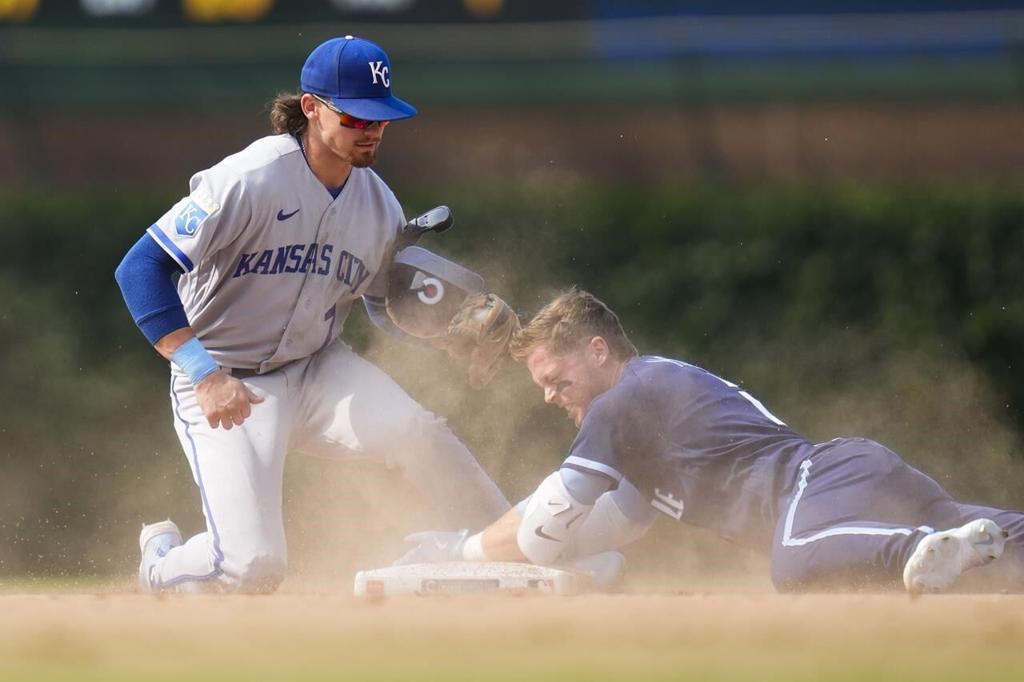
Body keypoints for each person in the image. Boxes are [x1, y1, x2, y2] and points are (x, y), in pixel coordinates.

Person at [115, 35, 510, 593]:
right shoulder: (249, 178)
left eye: (381, 117)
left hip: (319, 369)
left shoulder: (379, 204)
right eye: (355, 117)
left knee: (421, 435)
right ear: (310, 108)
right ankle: (160, 560)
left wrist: (444, 337)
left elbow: (379, 303)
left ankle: (515, 541)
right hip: (228, 381)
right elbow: (139, 268)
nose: (370, 129)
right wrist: (203, 373)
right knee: (251, 569)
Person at [397, 288, 1024, 593]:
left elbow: (546, 523)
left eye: (557, 379)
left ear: (598, 351)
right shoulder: (643, 425)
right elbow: (583, 528)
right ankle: (947, 539)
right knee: (994, 540)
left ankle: (919, 547)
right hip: (851, 484)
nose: (549, 396)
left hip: (823, 486)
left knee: (795, 562)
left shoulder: (622, 400)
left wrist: (464, 550)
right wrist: (479, 552)